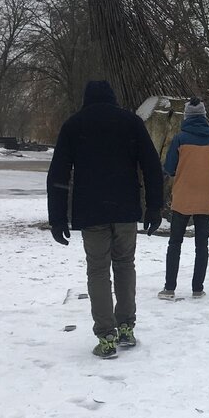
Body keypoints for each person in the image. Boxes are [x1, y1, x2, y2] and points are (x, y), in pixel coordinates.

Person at [47, 80, 164, 359]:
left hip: (91, 211)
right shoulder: (131, 123)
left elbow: (58, 176)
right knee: (125, 265)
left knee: (97, 271)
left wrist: (58, 219)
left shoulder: (74, 126)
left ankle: (106, 336)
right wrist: (154, 208)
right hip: (125, 208)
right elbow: (151, 166)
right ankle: (126, 326)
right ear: (113, 98)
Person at [159, 98, 209, 300]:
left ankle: (169, 287)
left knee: (175, 244)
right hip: (207, 198)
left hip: (183, 198)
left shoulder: (180, 140)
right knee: (202, 246)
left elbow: (169, 168)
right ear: (204, 117)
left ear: (187, 117)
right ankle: (197, 288)